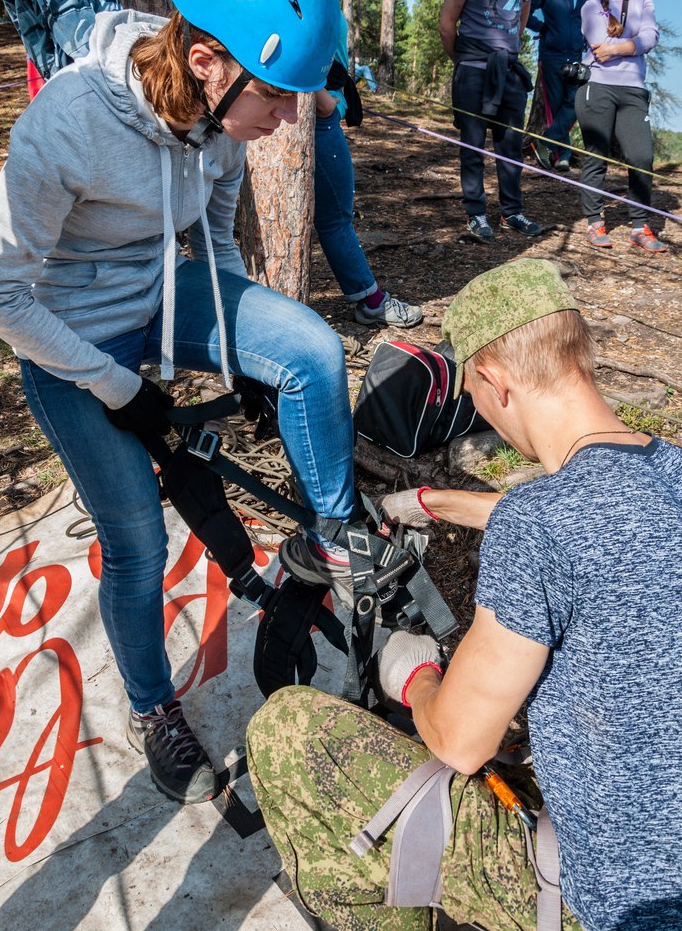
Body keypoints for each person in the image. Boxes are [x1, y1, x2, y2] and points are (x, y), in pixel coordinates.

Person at [0, 0, 360, 805]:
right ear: (202, 63)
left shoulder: (219, 126)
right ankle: (153, 707)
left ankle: (337, 548)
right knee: (138, 545)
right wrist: (118, 389)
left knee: (307, 348)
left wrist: (238, 358)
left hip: (162, 303)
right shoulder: (68, 122)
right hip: (66, 338)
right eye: (276, 93)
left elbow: (214, 239)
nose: (292, 115)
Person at [247, 257, 682, 931]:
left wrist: (414, 676)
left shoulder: (539, 527)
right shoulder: (668, 470)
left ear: (493, 382)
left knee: (290, 730)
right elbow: (598, 518)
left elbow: (458, 743)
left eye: (472, 397)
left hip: (613, 907)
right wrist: (442, 502)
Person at [439, 0, 542, 243]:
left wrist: (507, 53)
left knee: (510, 144)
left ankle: (512, 211)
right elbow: (446, 23)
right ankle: (476, 213)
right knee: (473, 144)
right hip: (472, 68)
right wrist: (463, 61)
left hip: (508, 70)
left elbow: (521, 21)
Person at [315, 11, 422, 328]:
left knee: (333, 218)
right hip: (319, 116)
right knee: (335, 219)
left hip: (325, 109)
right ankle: (371, 302)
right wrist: (325, 101)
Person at [575, 0, 664, 252]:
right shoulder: (590, 6)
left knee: (641, 156)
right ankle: (595, 221)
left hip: (633, 89)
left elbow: (651, 37)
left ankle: (640, 225)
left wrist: (619, 46)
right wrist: (631, 42)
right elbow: (599, 49)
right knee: (596, 153)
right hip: (597, 87)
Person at [526, 0, 596, 173]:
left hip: (579, 58)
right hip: (552, 56)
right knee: (556, 107)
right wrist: (541, 27)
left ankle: (544, 141)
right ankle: (563, 155)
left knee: (576, 103)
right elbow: (524, 10)